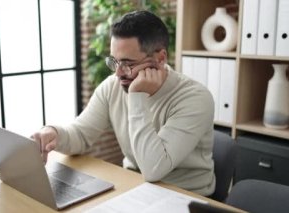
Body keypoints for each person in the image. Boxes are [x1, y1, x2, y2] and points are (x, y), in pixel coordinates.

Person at [33, 10, 215, 196]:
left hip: (185, 197)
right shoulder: (112, 86)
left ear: (160, 59)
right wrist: (54, 133)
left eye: (128, 64)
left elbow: (153, 169)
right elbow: (80, 135)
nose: (118, 73)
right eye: (114, 61)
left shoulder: (195, 98)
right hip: (133, 188)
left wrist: (137, 97)